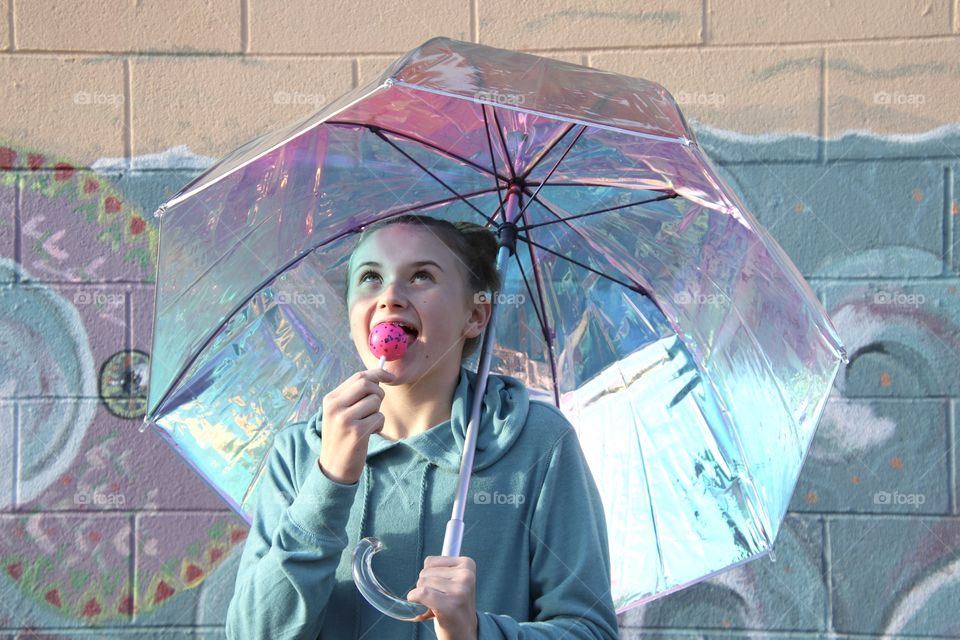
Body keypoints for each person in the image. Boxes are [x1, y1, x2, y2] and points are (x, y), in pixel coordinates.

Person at [224, 214, 619, 640]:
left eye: (422, 276)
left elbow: (591, 630)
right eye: (371, 277)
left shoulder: (539, 443)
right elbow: (254, 633)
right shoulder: (300, 454)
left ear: (476, 315)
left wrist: (475, 632)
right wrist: (330, 481)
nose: (391, 295)